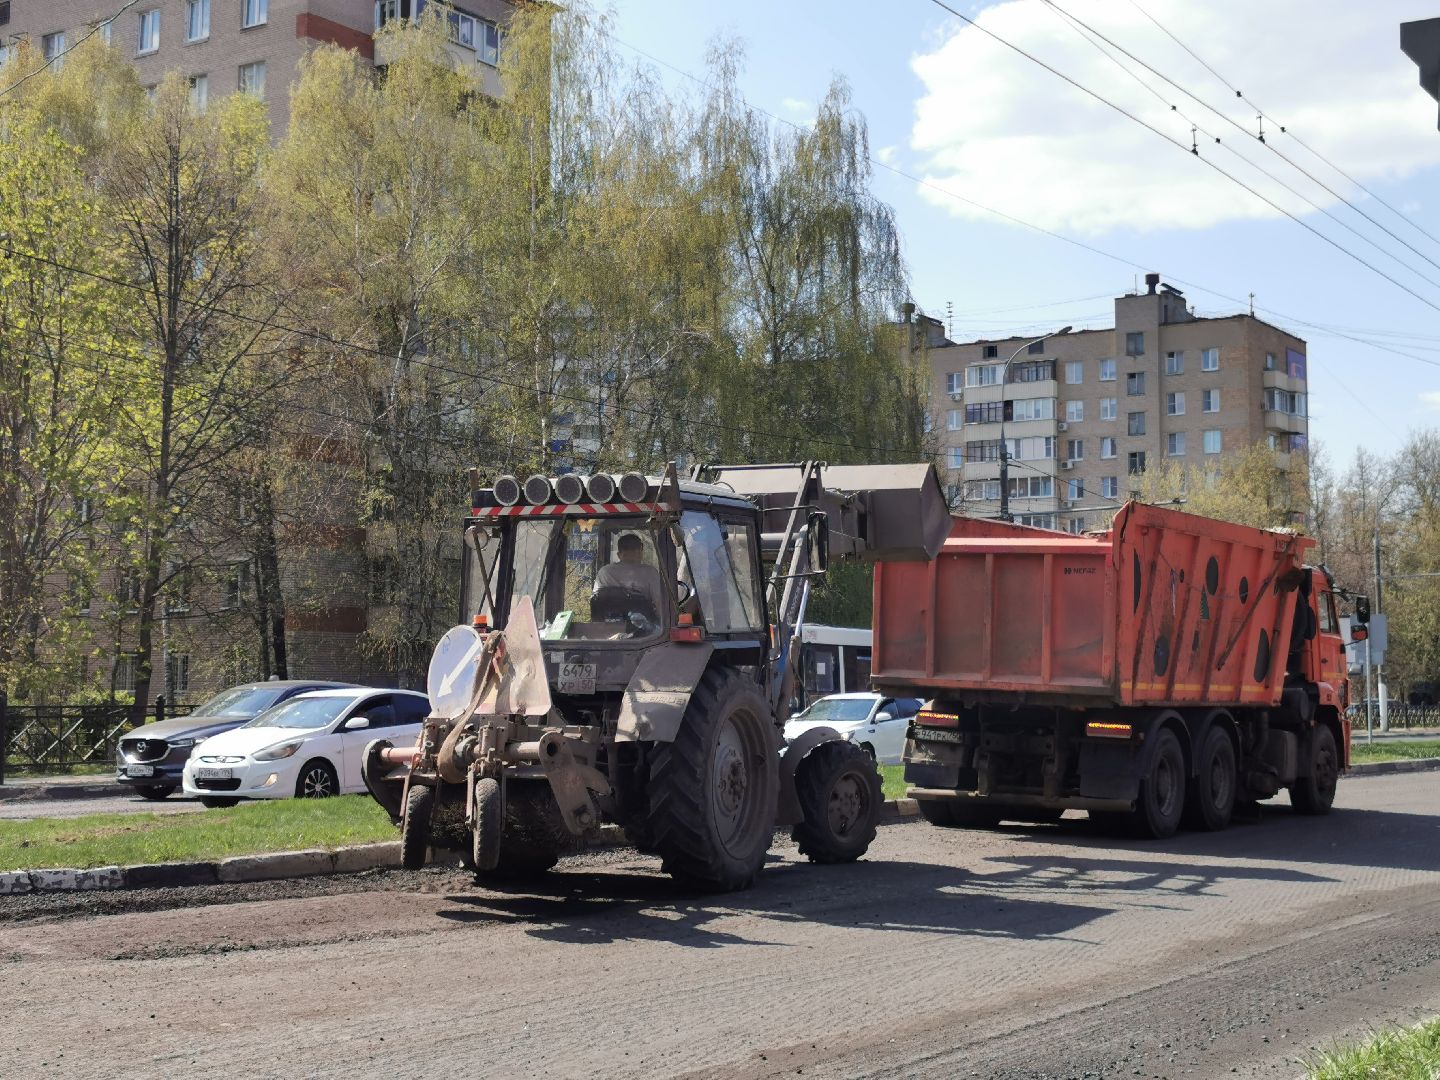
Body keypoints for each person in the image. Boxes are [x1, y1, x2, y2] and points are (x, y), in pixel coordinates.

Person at [594, 532, 668, 624]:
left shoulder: (604, 572)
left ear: (619, 554)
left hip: (609, 626)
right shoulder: (650, 573)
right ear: (640, 552)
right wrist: (663, 625)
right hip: (643, 627)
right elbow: (660, 603)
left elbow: (596, 601)